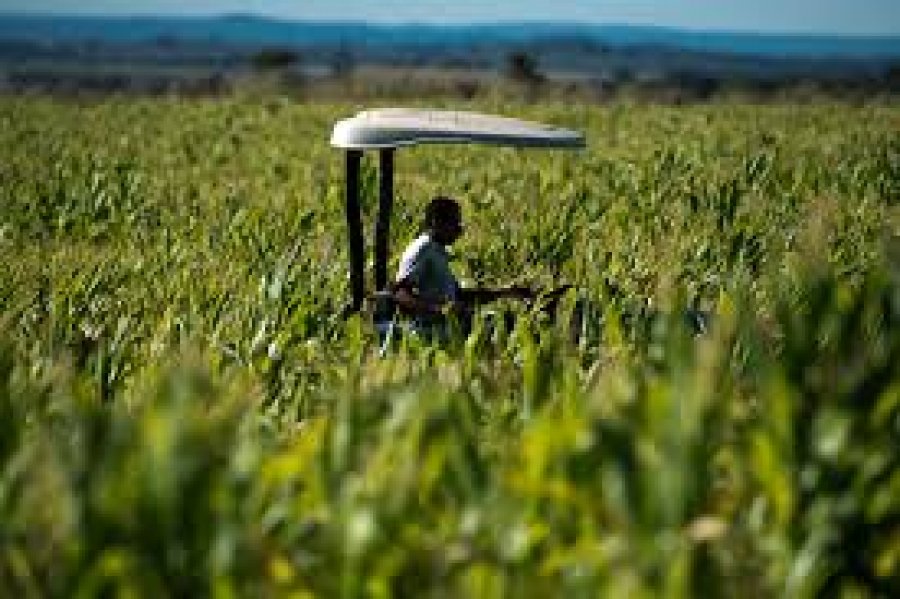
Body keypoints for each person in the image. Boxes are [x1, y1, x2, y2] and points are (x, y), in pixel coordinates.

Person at [390, 195, 534, 338]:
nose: (460, 230)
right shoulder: (423, 249)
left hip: (450, 322)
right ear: (436, 222)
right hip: (433, 328)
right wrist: (440, 309)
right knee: (511, 326)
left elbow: (460, 296)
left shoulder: (437, 251)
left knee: (513, 321)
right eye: (455, 223)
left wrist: (506, 292)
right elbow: (400, 294)